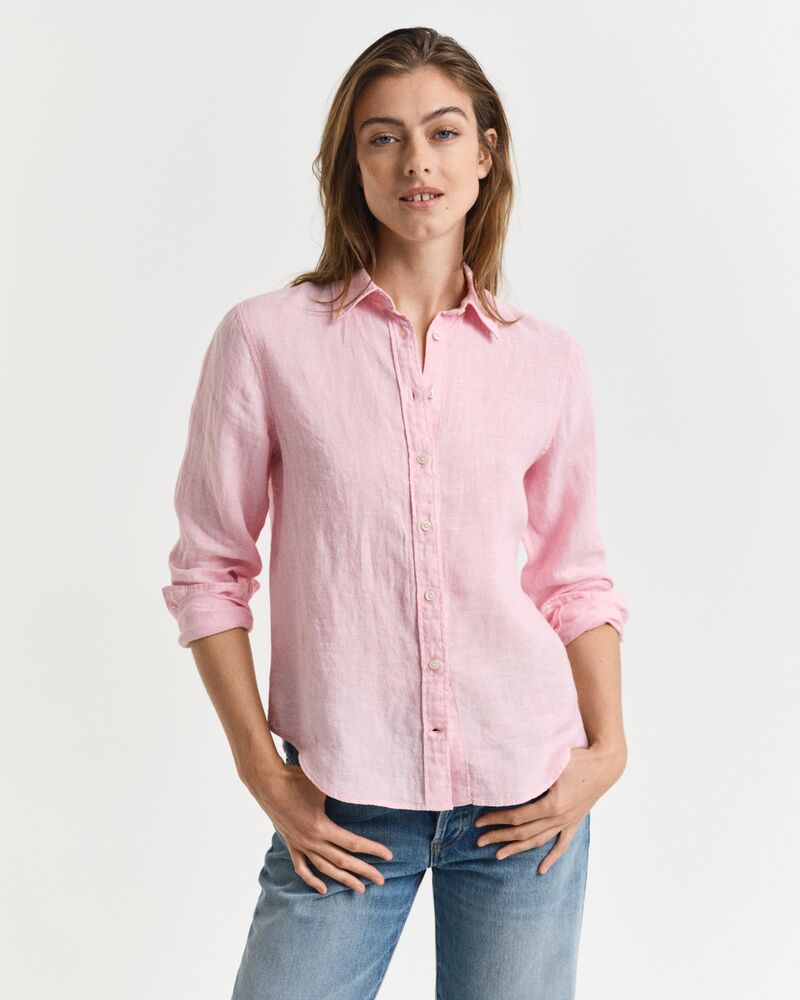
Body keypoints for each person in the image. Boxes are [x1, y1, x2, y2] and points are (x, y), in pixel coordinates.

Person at [161, 25, 629, 1000]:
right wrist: (261, 769)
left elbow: (573, 577)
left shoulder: (546, 361)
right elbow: (209, 570)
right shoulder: (265, 341)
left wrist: (607, 750)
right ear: (353, 163)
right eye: (383, 137)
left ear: (485, 153)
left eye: (443, 132)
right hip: (342, 805)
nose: (417, 160)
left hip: (525, 797)